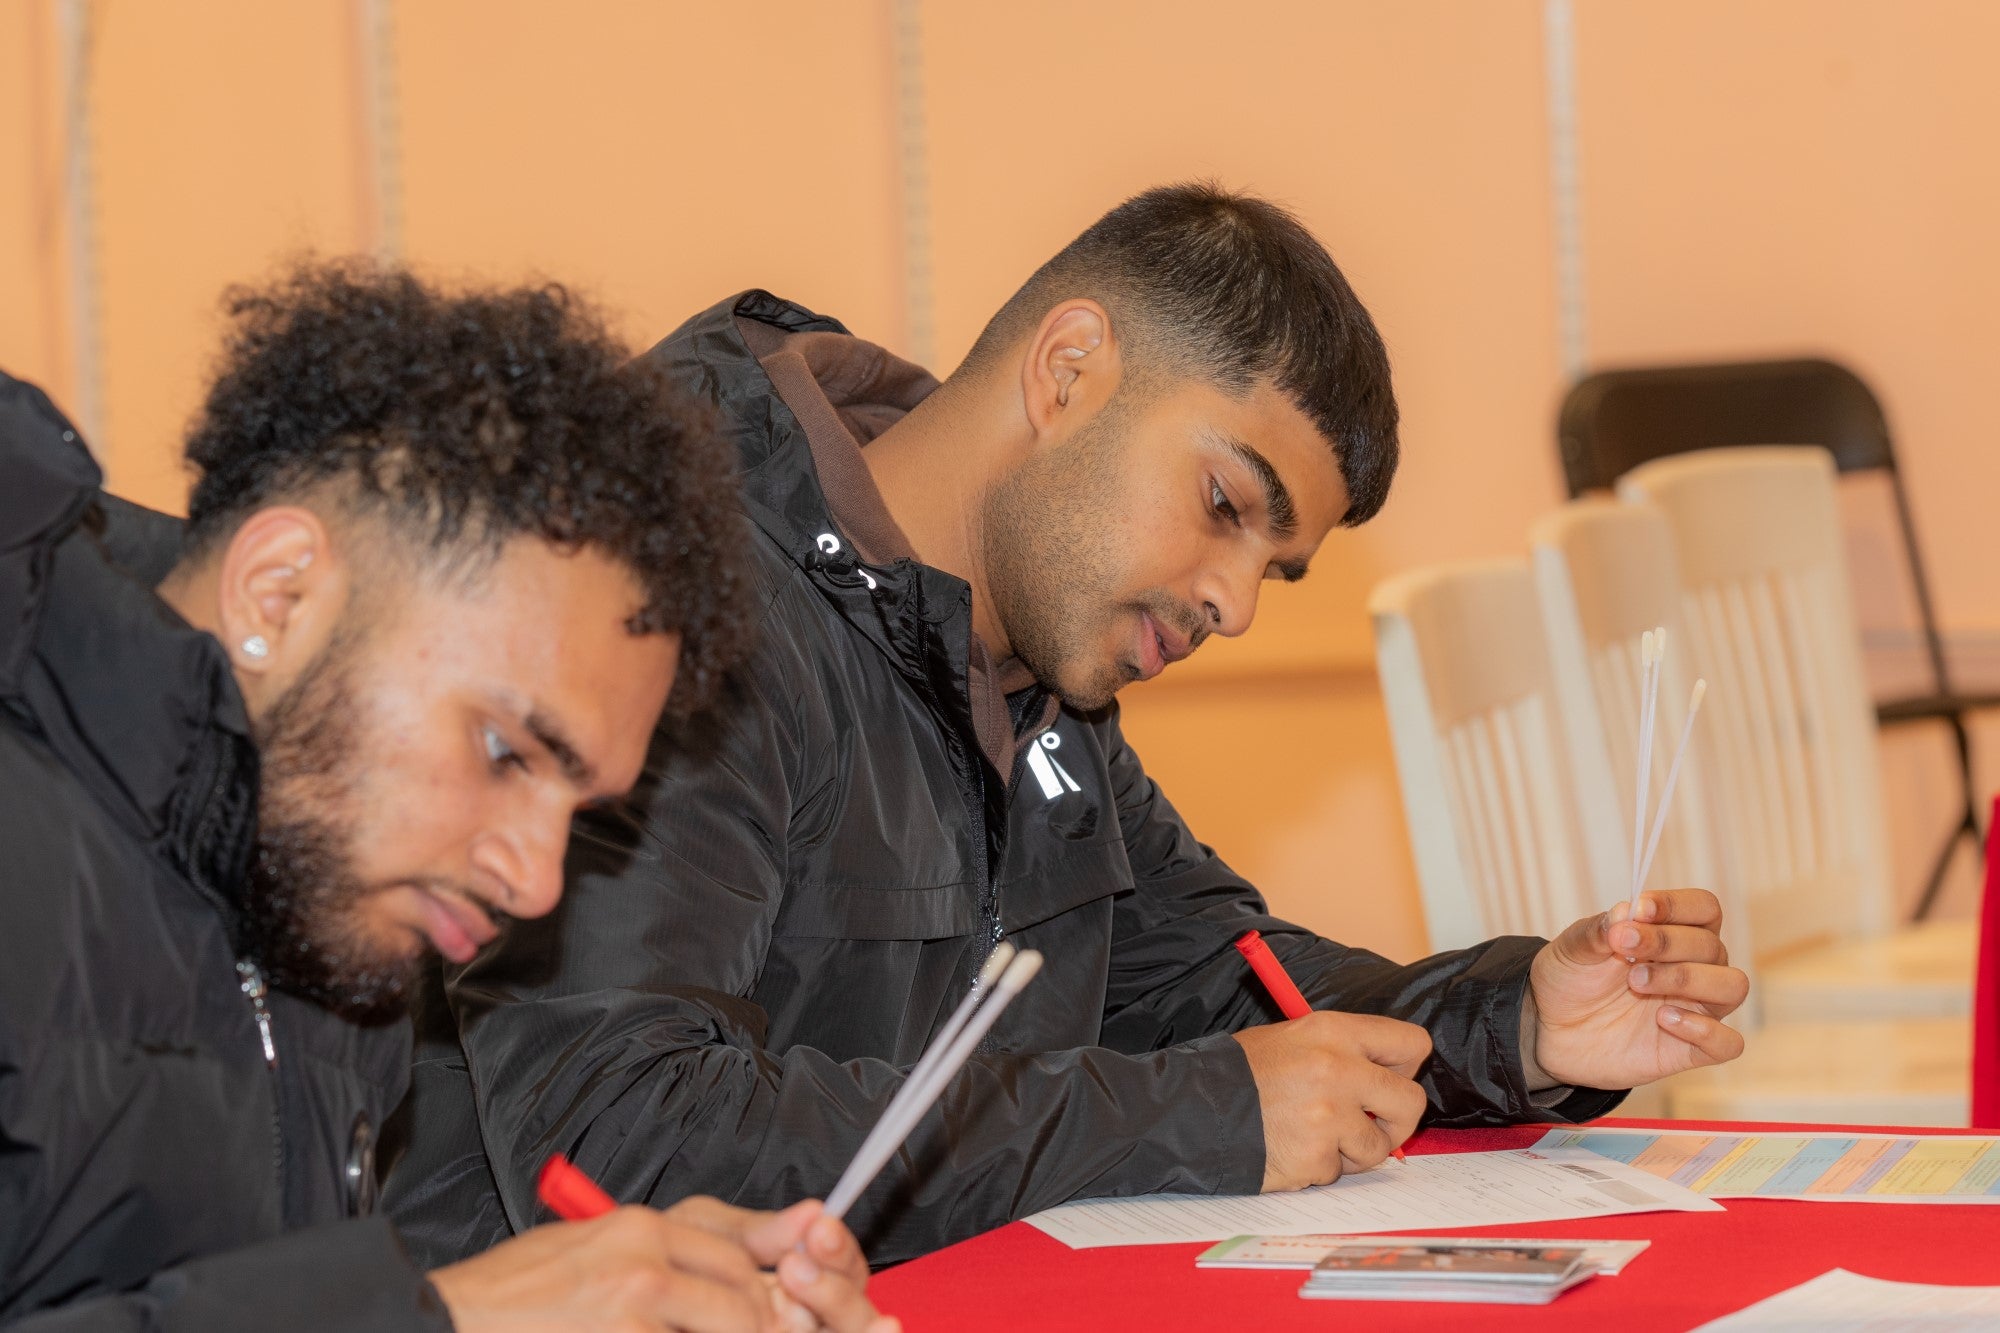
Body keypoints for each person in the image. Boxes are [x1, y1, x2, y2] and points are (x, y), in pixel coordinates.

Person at [386, 185, 1751, 1267]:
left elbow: (1220, 985)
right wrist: (1204, 1115)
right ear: (1071, 370)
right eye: (1226, 503)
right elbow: (624, 1135)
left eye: (1272, 569)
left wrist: (1517, 1024)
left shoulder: (1017, 660)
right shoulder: (657, 589)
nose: (1233, 605)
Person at [0, 264, 893, 1332]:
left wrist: (629, 1288)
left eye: (581, 810)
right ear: (278, 596)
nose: (535, 881)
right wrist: (443, 1318)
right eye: (505, 750)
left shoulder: (322, 913)